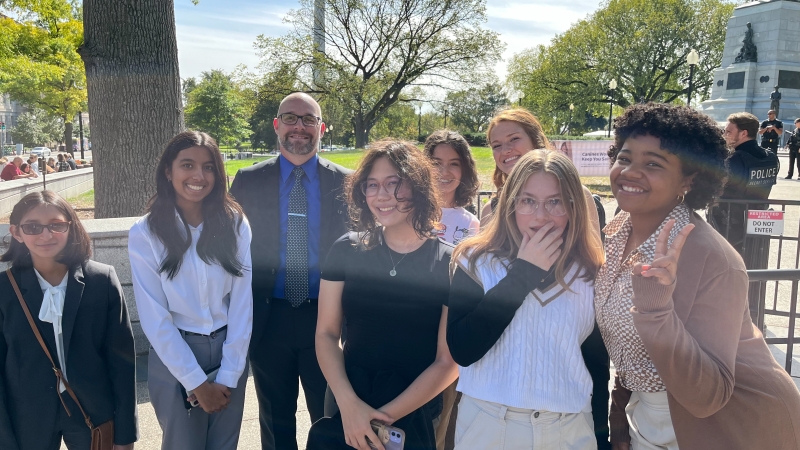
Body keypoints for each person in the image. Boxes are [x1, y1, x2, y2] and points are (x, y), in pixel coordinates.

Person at [598, 102, 800, 449]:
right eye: (625, 158)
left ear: (689, 178)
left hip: (724, 427)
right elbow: (625, 344)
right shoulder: (616, 232)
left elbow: (709, 396)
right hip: (645, 420)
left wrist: (655, 310)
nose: (630, 172)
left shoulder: (714, 258)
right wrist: (619, 417)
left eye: (653, 164)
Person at [447, 150, 605, 449]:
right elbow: (463, 349)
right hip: (490, 424)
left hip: (570, 427)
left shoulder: (591, 272)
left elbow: (596, 364)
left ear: (574, 206)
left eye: (555, 202)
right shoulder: (474, 261)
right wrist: (522, 275)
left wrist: (602, 434)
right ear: (511, 204)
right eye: (528, 201)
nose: (541, 215)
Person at [308, 139, 458, 450]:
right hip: (346, 401)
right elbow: (325, 334)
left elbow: (447, 362)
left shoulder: (449, 262)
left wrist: (380, 419)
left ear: (417, 187)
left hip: (413, 411)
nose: (382, 195)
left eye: (394, 183)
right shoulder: (346, 249)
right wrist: (350, 407)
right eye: (372, 185)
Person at [481, 108, 611, 448]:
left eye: (514, 139)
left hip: (569, 331)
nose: (505, 150)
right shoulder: (491, 207)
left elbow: (593, 266)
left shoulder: (579, 199)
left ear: (536, 141)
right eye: (497, 145)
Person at [229, 92, 352, 450]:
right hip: (268, 318)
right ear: (277, 125)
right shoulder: (248, 181)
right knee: (274, 418)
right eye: (291, 118)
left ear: (322, 128)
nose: (299, 127)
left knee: (328, 418)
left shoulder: (346, 182)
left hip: (326, 320)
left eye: (309, 119)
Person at [128, 131, 253, 449]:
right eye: (188, 165)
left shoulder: (235, 224)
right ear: (168, 172)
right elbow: (155, 318)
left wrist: (228, 376)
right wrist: (196, 383)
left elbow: (241, 303)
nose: (199, 175)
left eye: (209, 167)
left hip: (229, 350)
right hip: (176, 356)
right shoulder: (146, 233)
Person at [0, 190, 137, 450]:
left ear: (70, 227)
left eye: (56, 225)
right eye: (33, 227)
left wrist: (125, 434)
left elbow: (122, 362)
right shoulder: (4, 290)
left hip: (93, 409)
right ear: (16, 232)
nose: (46, 235)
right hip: (28, 415)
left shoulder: (101, 280)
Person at [710, 112, 779, 254]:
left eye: (729, 131)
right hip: (758, 226)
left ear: (743, 133)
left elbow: (715, 186)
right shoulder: (771, 157)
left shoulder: (735, 159)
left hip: (728, 226)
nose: (724, 135)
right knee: (754, 266)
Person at [423, 130, 480, 246]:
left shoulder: (471, 224)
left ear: (465, 170)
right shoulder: (409, 214)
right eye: (436, 163)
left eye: (454, 164)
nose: (444, 172)